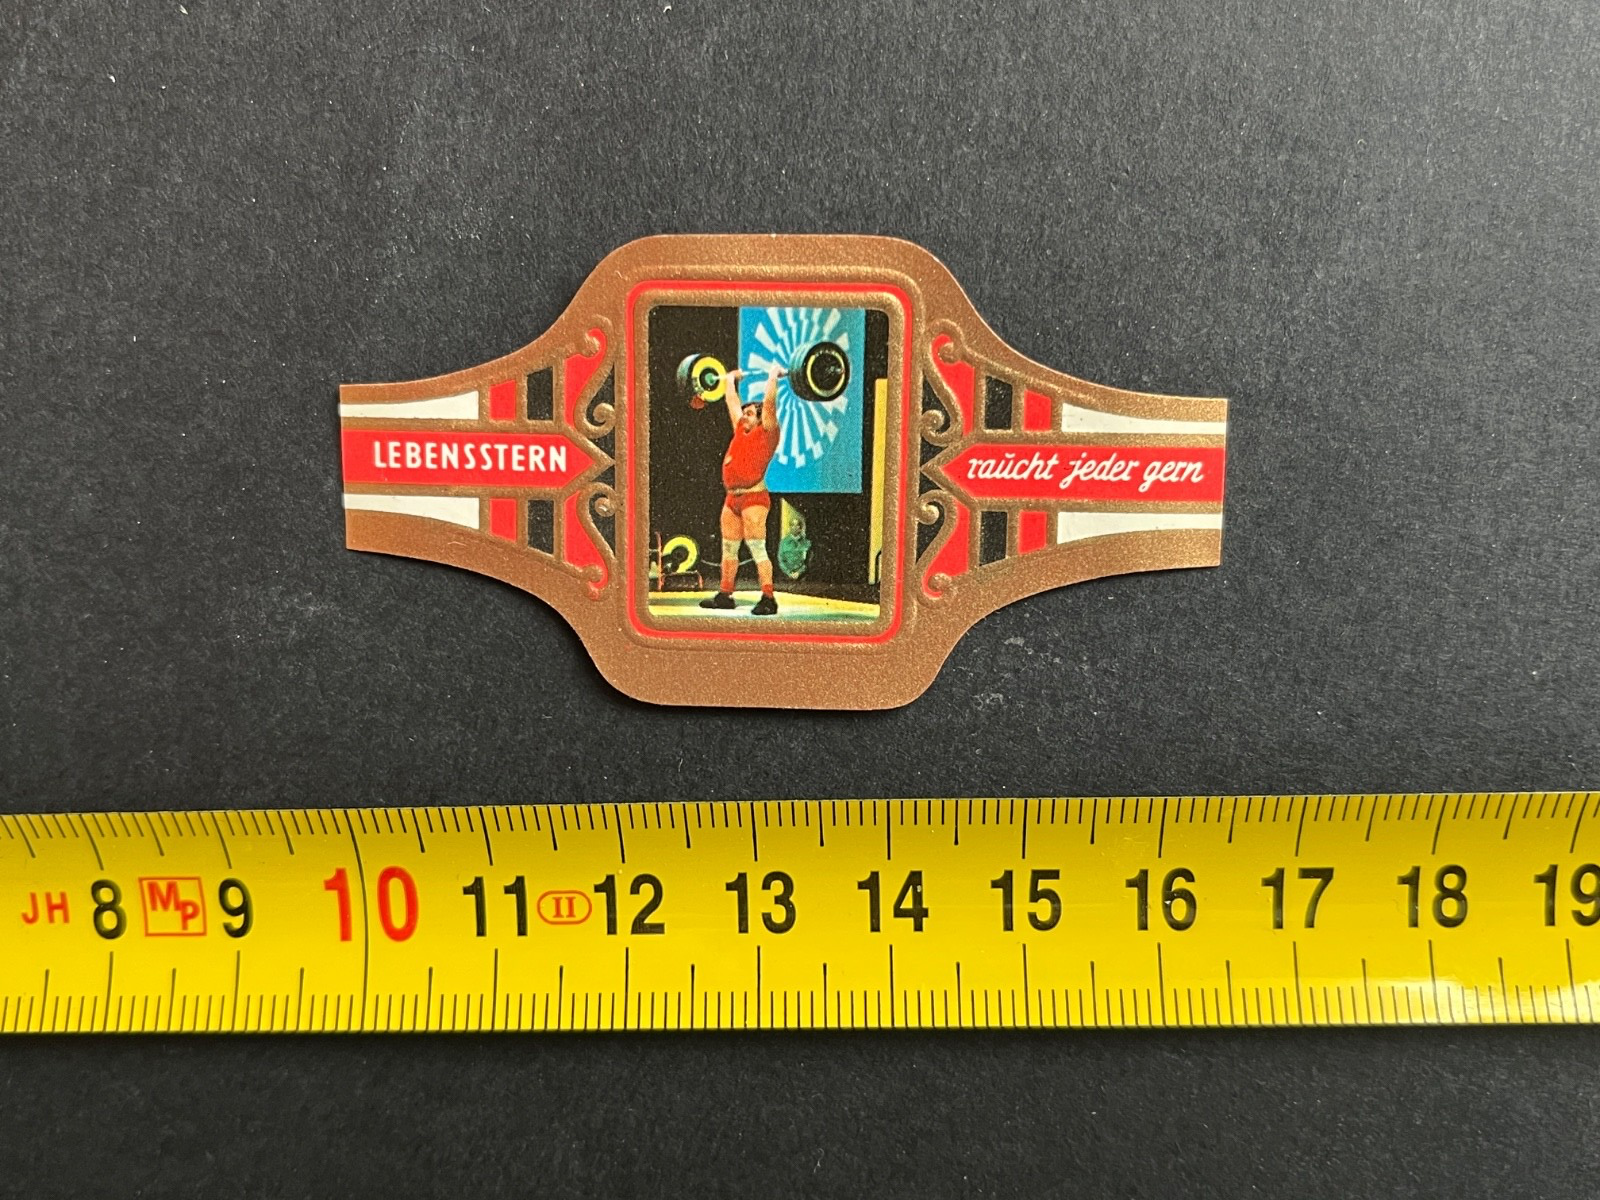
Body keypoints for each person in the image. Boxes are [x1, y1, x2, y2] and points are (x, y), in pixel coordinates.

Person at [700, 363, 782, 614]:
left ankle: (768, 598)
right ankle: (725, 594)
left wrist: (772, 377)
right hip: (731, 499)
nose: (744, 416)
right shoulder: (740, 429)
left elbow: (769, 405)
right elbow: (732, 402)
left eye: (750, 413)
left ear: (760, 419)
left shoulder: (768, 432)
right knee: (728, 547)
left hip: (753, 498)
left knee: (757, 547)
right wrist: (729, 380)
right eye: (744, 413)